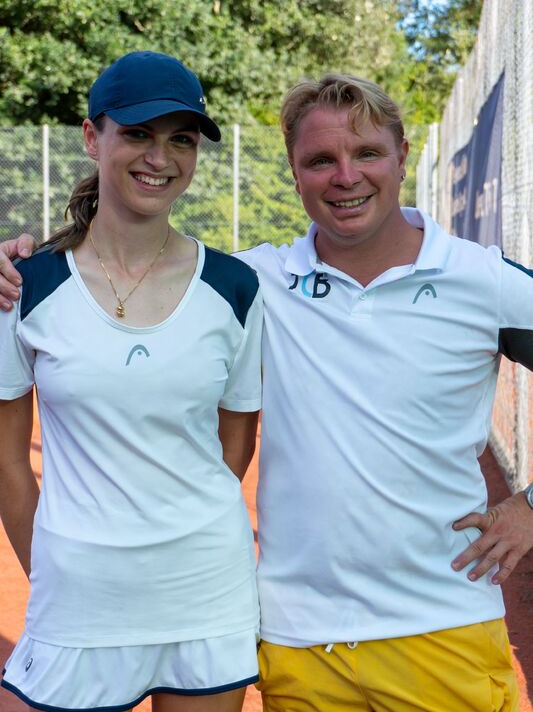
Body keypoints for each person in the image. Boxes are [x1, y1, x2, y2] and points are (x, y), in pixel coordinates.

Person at [2, 74, 533, 711]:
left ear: (402, 155)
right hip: (298, 643)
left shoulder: (481, 280)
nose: (346, 177)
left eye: (367, 153)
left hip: (441, 629)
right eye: (320, 160)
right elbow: (132, 269)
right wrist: (17, 261)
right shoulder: (253, 283)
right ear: (294, 172)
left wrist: (530, 508)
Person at [0, 51, 263, 712]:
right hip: (78, 601)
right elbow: (7, 462)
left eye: (182, 139)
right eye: (139, 133)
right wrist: (56, 574)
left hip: (206, 592)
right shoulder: (23, 288)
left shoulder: (235, 287)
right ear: (93, 137)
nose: (160, 157)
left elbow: (234, 446)